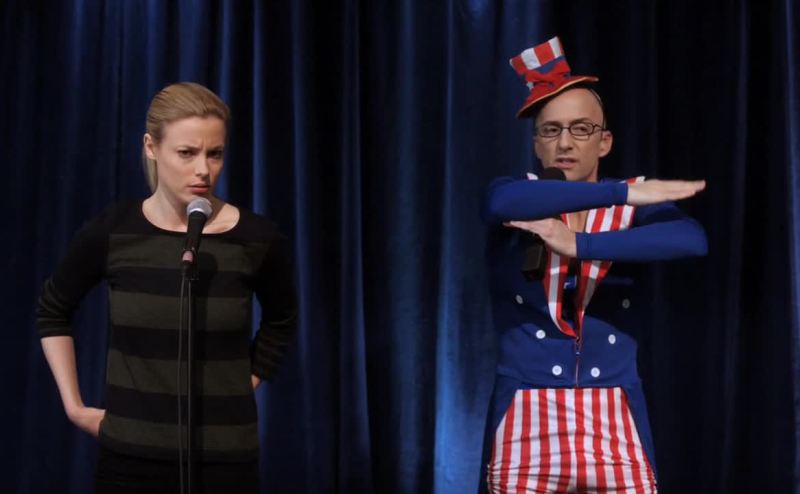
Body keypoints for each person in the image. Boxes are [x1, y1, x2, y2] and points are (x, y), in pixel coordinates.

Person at [36, 82, 297, 493]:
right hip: (130, 462)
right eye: (187, 153)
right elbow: (53, 309)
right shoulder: (115, 231)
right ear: (151, 147)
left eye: (215, 153)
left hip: (225, 461)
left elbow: (282, 318)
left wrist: (241, 384)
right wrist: (74, 407)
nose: (203, 170)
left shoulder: (255, 238)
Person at [481, 37, 707, 493]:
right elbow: (501, 202)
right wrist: (620, 191)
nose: (565, 142)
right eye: (551, 131)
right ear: (536, 144)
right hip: (527, 416)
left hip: (612, 415)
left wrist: (579, 244)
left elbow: (690, 239)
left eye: (581, 129)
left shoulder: (634, 209)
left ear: (605, 142)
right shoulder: (518, 194)